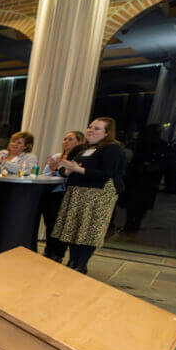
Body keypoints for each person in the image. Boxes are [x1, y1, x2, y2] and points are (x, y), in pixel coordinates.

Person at [53, 117, 127, 274]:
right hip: (76, 193)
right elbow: (65, 169)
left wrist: (78, 169)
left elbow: (106, 174)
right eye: (90, 127)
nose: (91, 130)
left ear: (107, 133)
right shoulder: (81, 149)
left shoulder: (112, 149)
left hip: (98, 194)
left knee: (88, 230)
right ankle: (72, 261)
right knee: (73, 229)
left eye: (97, 128)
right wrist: (67, 170)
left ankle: (80, 264)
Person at [42, 130, 85, 262]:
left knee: (60, 225)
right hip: (51, 193)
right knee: (49, 224)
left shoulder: (78, 159)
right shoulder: (57, 156)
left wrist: (58, 170)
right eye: (65, 139)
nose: (66, 142)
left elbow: (73, 177)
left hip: (66, 194)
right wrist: (52, 169)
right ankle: (48, 250)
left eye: (70, 139)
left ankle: (58, 253)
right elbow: (44, 175)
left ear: (79, 143)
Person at [120, 125, 167, 232]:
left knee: (131, 202)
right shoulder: (162, 144)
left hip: (136, 176)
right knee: (144, 203)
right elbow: (163, 161)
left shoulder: (139, 142)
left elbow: (132, 159)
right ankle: (137, 223)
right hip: (151, 178)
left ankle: (128, 223)